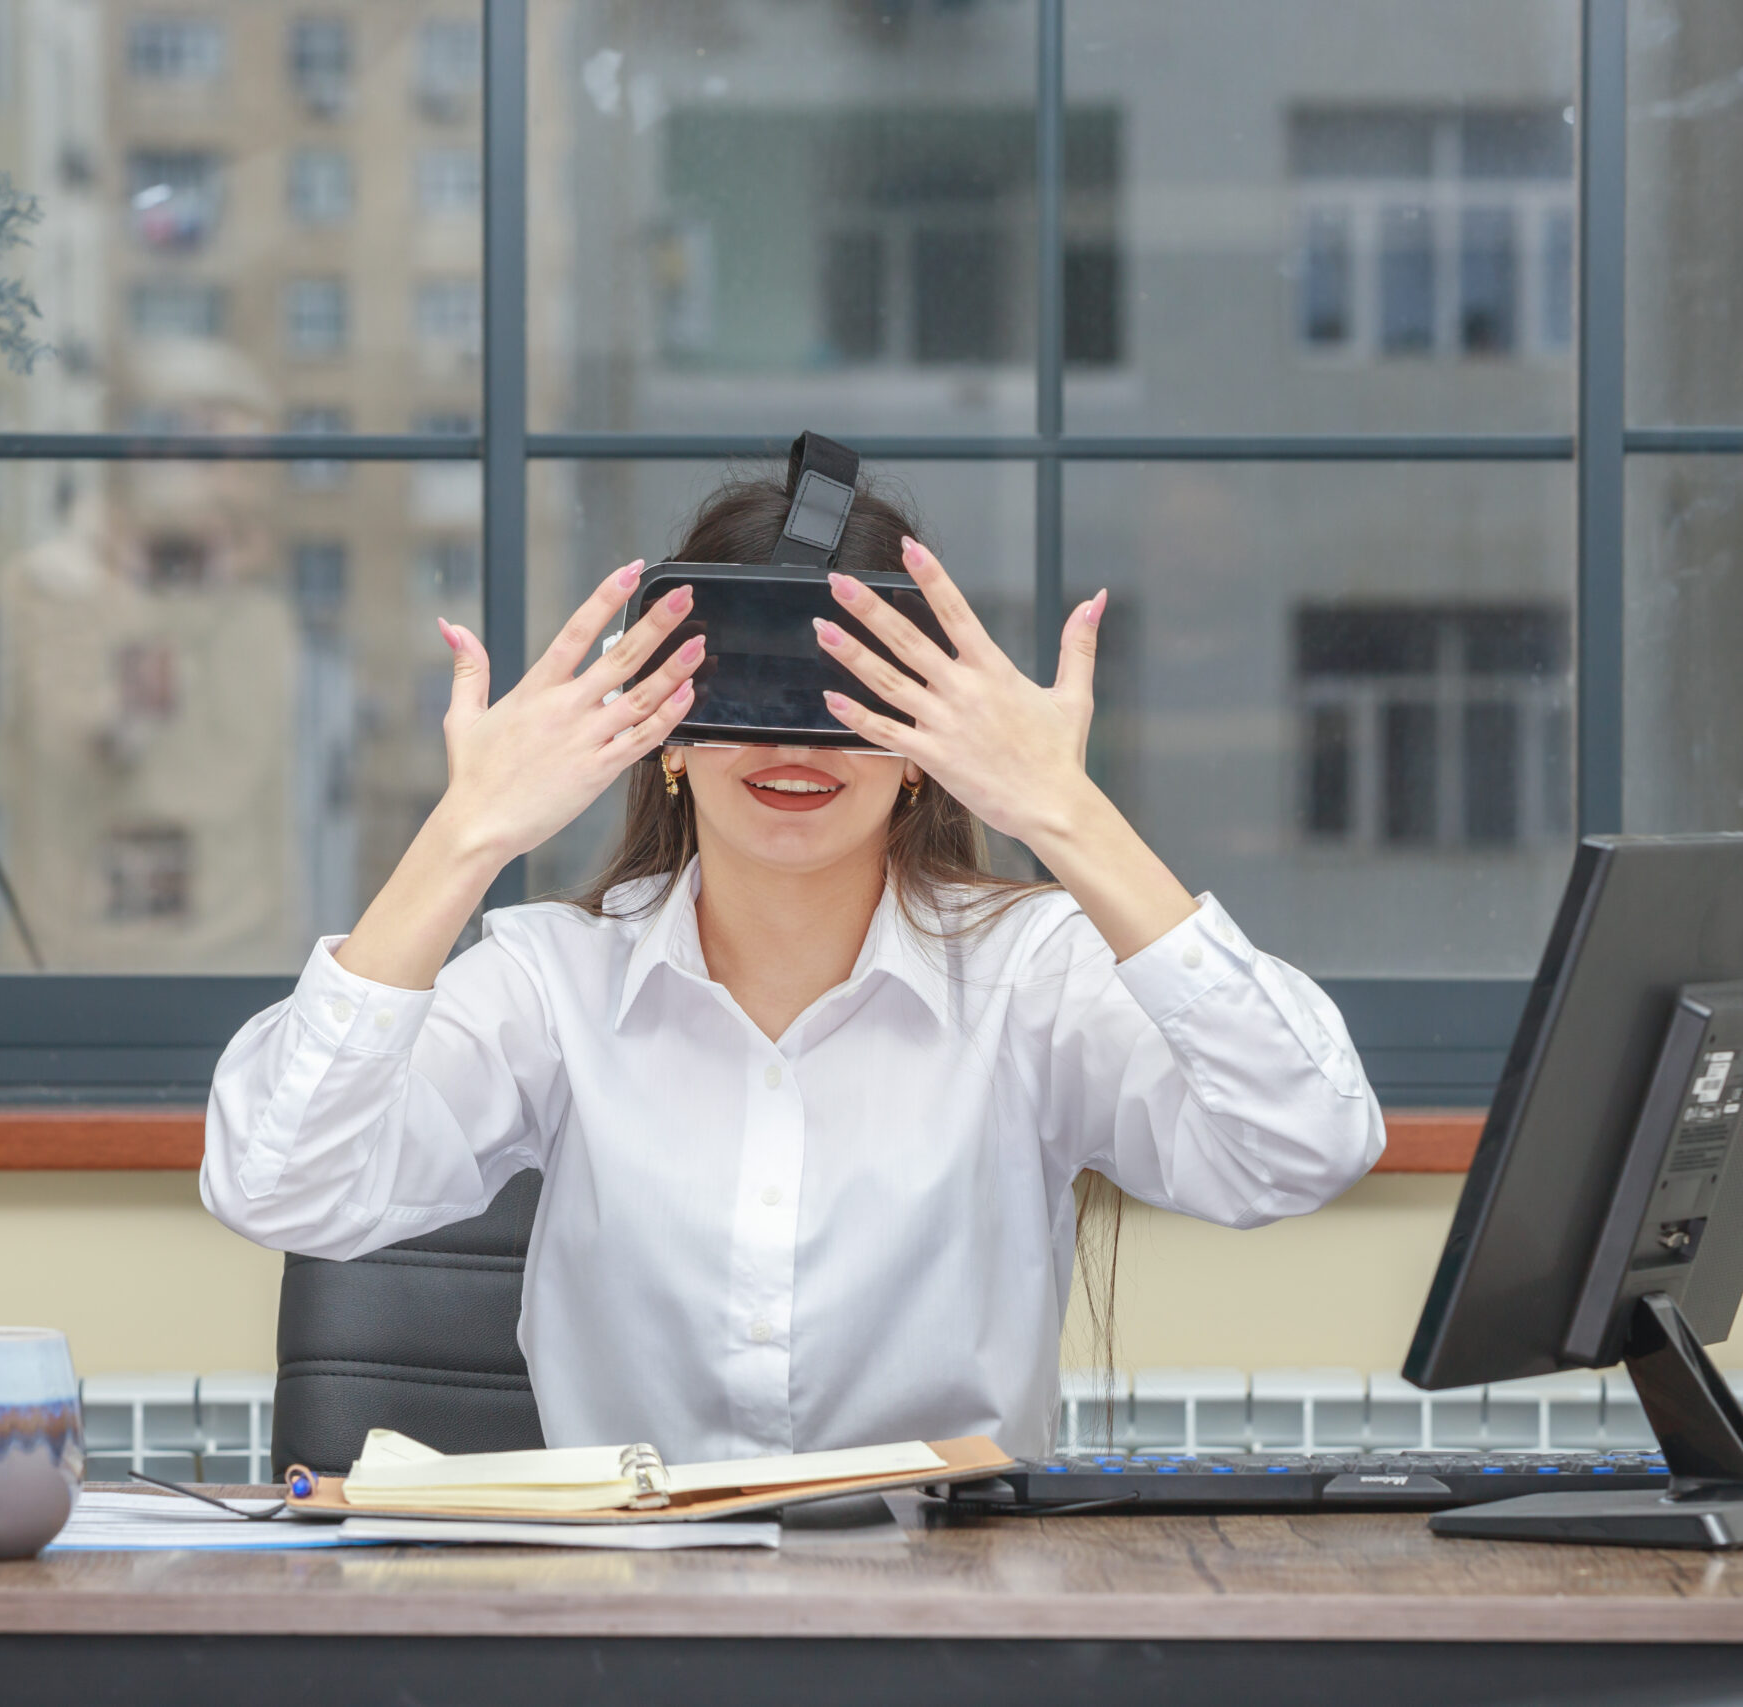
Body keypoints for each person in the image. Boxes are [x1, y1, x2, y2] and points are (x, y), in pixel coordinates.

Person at [202, 469, 1384, 1462]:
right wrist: (465, 837)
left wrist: (1065, 815)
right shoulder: (555, 987)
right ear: (664, 733)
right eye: (743, 682)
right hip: (630, 1630)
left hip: (953, 1626)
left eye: (847, 691)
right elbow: (276, 1185)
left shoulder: (1033, 980)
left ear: (922, 743)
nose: (789, 739)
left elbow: (1305, 1144)